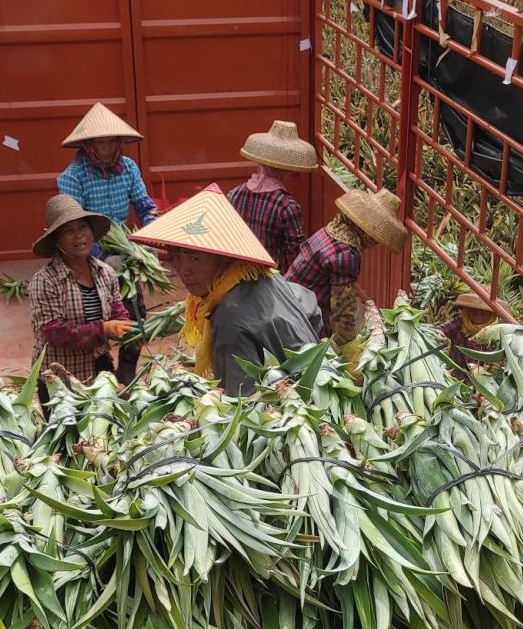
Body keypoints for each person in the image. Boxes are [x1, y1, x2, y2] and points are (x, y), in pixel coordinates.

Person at [136, 183, 323, 396]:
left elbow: (240, 400)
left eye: (195, 258)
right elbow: (309, 303)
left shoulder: (229, 316)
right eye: (176, 256)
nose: (183, 270)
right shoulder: (266, 276)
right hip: (316, 384)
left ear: (224, 257)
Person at [57, 103, 156, 384]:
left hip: (124, 251)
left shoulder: (128, 168)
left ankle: (127, 371)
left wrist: (147, 235)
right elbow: (72, 224)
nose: (108, 148)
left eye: (113, 141)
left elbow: (144, 204)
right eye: (101, 142)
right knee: (91, 315)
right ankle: (100, 370)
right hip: (85, 250)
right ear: (89, 144)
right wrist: (98, 255)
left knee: (133, 313)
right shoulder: (73, 176)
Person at [28, 195, 134, 405]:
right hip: (61, 381)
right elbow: (54, 332)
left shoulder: (105, 272)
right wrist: (103, 329)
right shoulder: (45, 281)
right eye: (68, 231)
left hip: (100, 372)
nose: (79, 236)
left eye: (83, 227)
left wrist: (128, 330)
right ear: (56, 240)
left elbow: (117, 310)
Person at [285, 186, 407, 347]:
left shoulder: (329, 231)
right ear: (365, 231)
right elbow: (342, 312)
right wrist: (347, 350)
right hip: (303, 321)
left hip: (287, 301)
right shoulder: (346, 254)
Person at [228, 120, 317, 271]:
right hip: (270, 281)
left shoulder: (234, 194)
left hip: (234, 276)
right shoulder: (287, 206)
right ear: (286, 170)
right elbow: (294, 254)